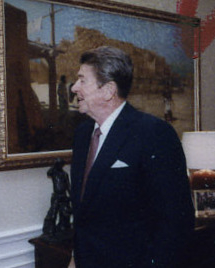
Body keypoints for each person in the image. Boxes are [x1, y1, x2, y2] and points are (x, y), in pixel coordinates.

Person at [68, 46, 194, 267]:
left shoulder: (153, 133)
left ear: (108, 90)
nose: (74, 87)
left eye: (82, 80)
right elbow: (85, 213)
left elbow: (176, 221)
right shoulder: (82, 135)